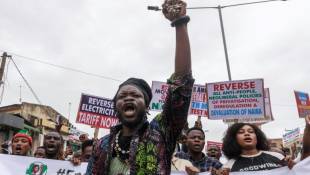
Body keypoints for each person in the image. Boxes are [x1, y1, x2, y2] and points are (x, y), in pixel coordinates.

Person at [86, 0, 194, 174]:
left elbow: (182, 84)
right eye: (122, 96)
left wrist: (180, 23)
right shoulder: (102, 145)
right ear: (115, 106)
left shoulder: (162, 131)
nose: (128, 98)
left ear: (146, 104)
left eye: (135, 96)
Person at [222, 123, 289, 172]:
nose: (247, 134)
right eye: (241, 132)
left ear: (257, 137)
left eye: (251, 132)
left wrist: (292, 166)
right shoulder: (228, 166)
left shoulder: (278, 157)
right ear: (234, 139)